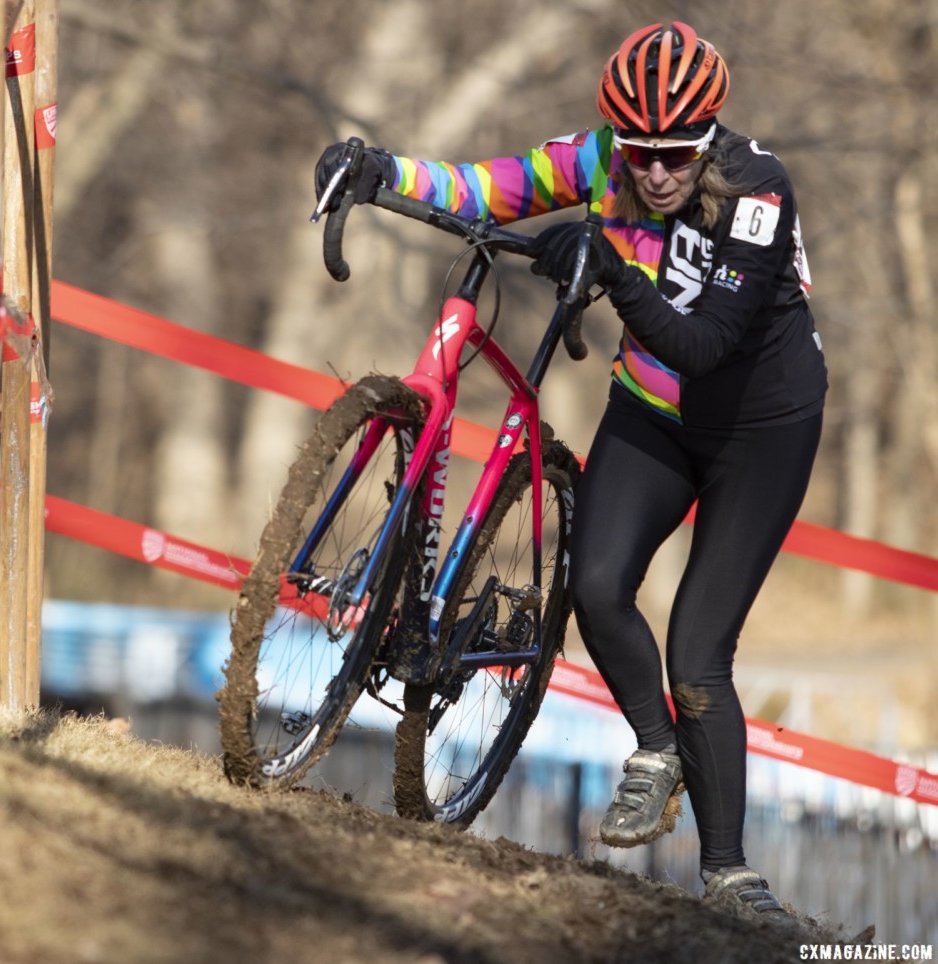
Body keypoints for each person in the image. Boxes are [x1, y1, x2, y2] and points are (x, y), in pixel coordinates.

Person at [314, 21, 826, 920]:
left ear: (707, 136)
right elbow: (484, 188)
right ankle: (656, 751)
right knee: (593, 584)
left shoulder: (758, 191)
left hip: (759, 431)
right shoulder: (598, 162)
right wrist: (383, 170)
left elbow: (704, 344)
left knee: (700, 654)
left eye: (675, 154)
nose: (655, 172)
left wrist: (611, 273)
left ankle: (731, 876)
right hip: (652, 409)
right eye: (639, 153)